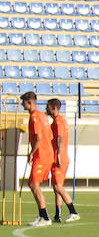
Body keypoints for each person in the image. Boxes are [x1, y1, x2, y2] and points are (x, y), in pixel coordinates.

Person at [20, 92, 54, 227]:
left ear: (29, 102)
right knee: (31, 183)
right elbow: (49, 136)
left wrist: (31, 153)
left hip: (42, 155)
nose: (22, 104)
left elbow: (39, 138)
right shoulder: (43, 116)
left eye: (23, 102)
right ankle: (41, 215)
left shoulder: (34, 117)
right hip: (46, 154)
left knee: (34, 184)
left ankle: (45, 217)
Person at [45, 98, 79, 223]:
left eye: (47, 107)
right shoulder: (57, 121)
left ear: (54, 108)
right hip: (58, 157)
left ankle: (73, 211)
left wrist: (58, 155)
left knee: (58, 186)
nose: (46, 109)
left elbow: (59, 138)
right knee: (56, 187)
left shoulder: (59, 121)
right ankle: (57, 215)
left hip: (59, 158)